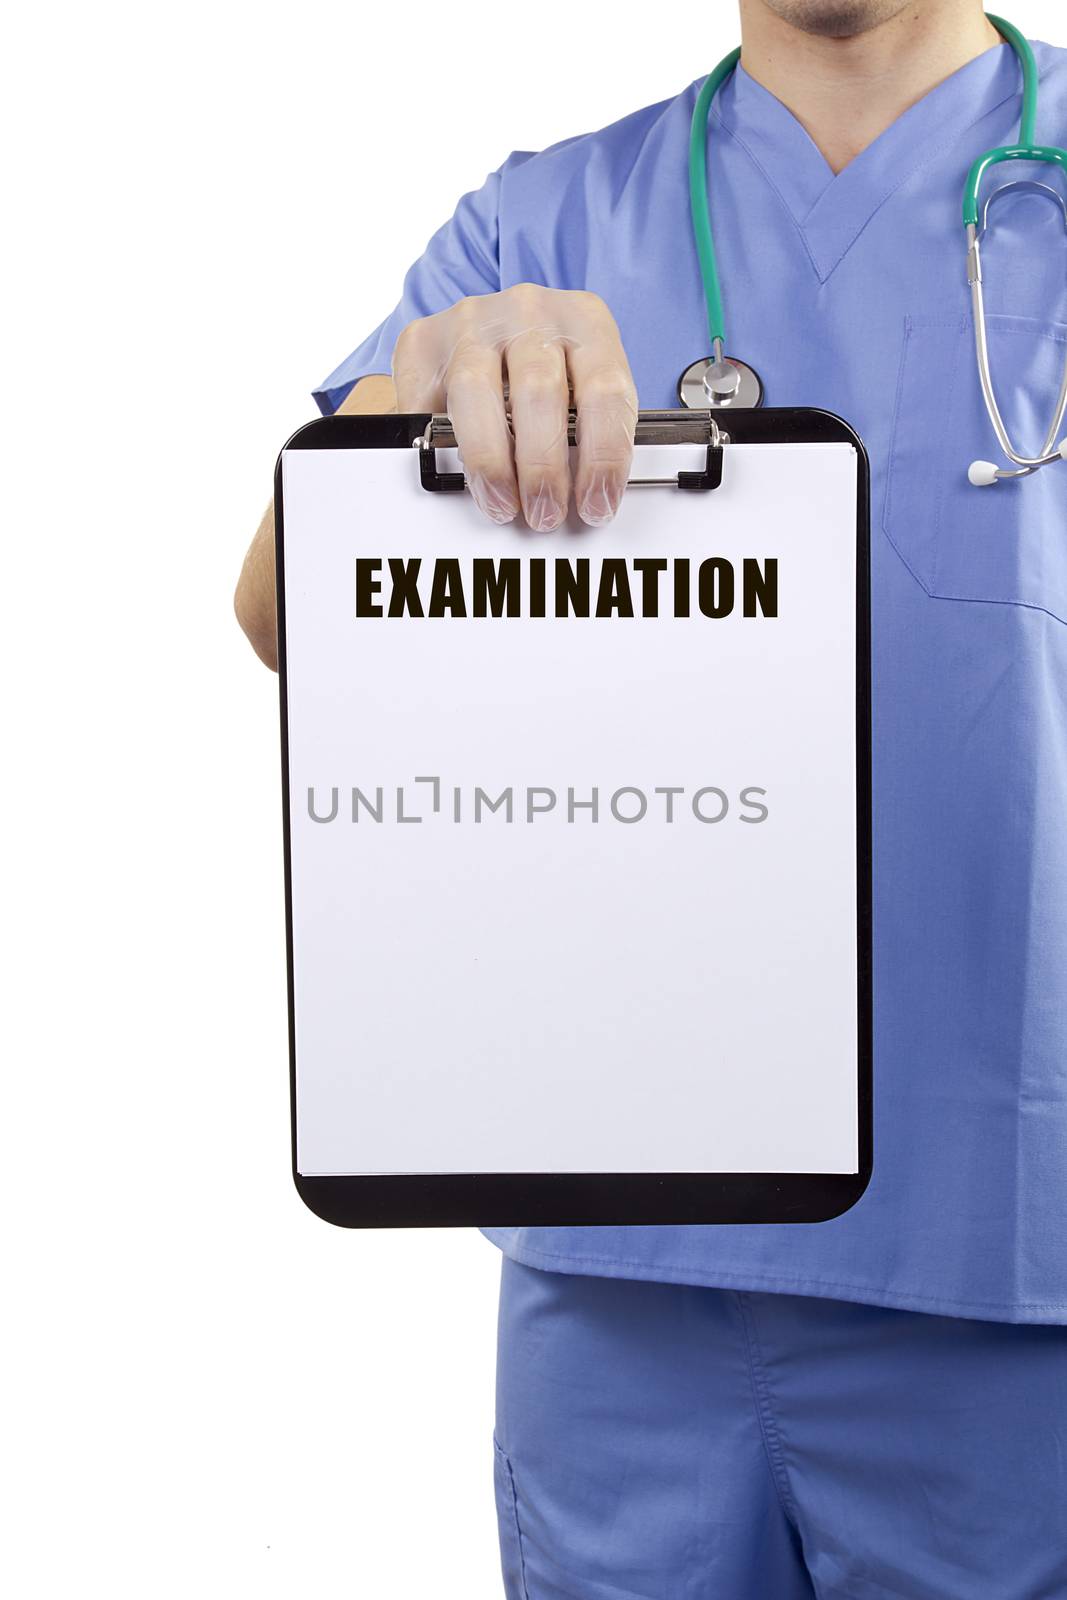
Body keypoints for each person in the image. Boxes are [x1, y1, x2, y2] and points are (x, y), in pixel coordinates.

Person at [235, 1, 1067, 1592]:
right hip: (623, 1260)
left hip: (1015, 1247)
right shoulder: (545, 221)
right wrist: (414, 413)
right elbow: (280, 611)